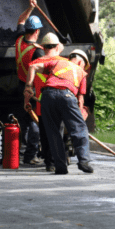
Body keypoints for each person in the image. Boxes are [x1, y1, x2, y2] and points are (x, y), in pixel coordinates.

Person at [24, 49, 93, 175]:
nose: (84, 68)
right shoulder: (81, 72)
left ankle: (60, 167)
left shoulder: (56, 63)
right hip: (67, 96)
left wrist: (28, 86)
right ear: (79, 61)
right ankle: (84, 161)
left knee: (54, 133)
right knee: (80, 130)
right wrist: (79, 119)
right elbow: (80, 100)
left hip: (47, 96)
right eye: (84, 65)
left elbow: (32, 67)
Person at [29, 33, 66, 172]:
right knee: (58, 133)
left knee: (45, 135)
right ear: (57, 47)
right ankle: (59, 161)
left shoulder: (33, 65)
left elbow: (29, 87)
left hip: (42, 105)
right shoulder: (64, 62)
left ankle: (49, 163)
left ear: (43, 47)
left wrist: (27, 102)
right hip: (59, 105)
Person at [15, 0, 44, 165]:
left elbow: (21, 20)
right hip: (31, 90)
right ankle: (30, 156)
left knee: (23, 122)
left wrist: (30, 8)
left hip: (20, 85)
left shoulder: (19, 40)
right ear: (38, 31)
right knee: (34, 122)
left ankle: (20, 153)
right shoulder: (37, 53)